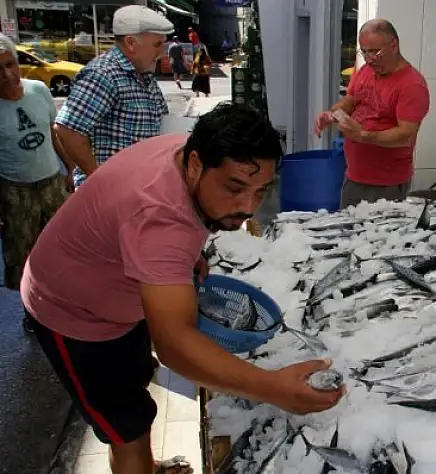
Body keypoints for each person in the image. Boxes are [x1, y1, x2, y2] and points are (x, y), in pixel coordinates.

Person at [21, 103, 344, 474]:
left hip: (119, 293)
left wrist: (186, 255)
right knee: (126, 429)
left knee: (134, 396)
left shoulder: (189, 151)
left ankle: (144, 463)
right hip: (74, 314)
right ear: (194, 165)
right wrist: (273, 388)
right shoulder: (159, 222)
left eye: (261, 191)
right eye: (234, 188)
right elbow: (174, 346)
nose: (248, 207)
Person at [314, 19, 430, 209]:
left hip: (386, 184)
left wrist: (362, 135)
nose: (369, 59)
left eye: (375, 52)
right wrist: (332, 114)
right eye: (364, 52)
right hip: (354, 176)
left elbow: (405, 136)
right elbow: (350, 101)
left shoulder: (412, 85)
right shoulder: (365, 71)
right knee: (347, 227)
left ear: (394, 45)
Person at [54, 5, 173, 188]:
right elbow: (68, 129)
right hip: (111, 191)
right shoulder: (103, 74)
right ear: (131, 43)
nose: (162, 52)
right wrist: (99, 179)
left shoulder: (143, 73)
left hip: (138, 186)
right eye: (157, 45)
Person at [0, 33, 73, 332]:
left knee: (63, 247)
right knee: (23, 255)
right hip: (15, 191)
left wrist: (70, 168)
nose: (7, 74)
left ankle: (62, 304)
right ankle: (32, 311)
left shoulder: (39, 90)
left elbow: (53, 133)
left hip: (52, 184)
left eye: (10, 64)